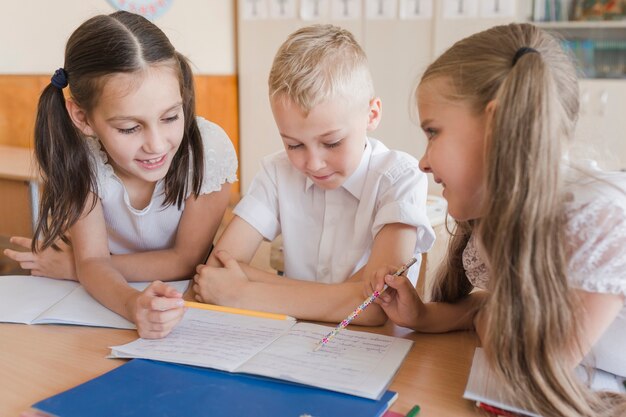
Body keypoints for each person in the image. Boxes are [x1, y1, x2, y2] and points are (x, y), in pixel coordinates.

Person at [372, 23, 626, 416]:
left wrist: (489, 317)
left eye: (433, 132)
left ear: (495, 126)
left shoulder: (599, 219)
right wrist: (422, 316)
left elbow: (529, 362)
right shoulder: (503, 217)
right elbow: (497, 311)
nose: (422, 161)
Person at [3, 11, 237, 338]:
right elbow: (93, 260)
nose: (156, 145)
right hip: (107, 304)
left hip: (187, 306)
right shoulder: (81, 159)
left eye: (171, 117)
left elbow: (186, 260)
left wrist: (75, 268)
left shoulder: (207, 150)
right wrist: (129, 301)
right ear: (83, 118)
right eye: (129, 128)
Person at [190, 24, 435, 324]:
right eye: (294, 145)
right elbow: (217, 271)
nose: (314, 163)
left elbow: (373, 306)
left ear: (371, 115)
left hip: (371, 350)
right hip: (289, 341)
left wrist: (244, 292)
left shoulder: (400, 177)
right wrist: (342, 295)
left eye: (331, 142)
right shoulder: (277, 171)